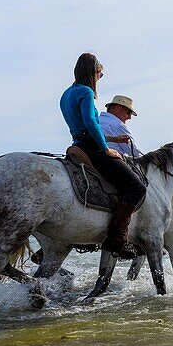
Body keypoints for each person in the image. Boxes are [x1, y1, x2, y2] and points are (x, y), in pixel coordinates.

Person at [60, 53, 146, 259]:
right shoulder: (86, 92)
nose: (100, 77)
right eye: (100, 73)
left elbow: (82, 127)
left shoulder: (66, 94)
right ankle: (117, 240)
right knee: (137, 187)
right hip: (93, 149)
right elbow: (90, 123)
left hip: (77, 146)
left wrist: (113, 139)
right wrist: (106, 149)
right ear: (92, 72)